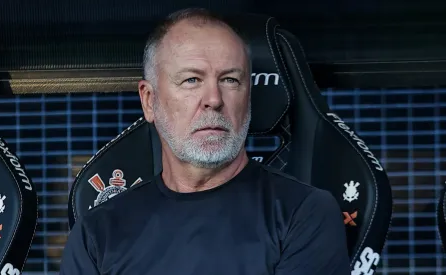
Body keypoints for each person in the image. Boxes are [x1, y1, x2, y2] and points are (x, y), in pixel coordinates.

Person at [60, 7, 350, 275]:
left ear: (247, 98)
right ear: (149, 101)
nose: (213, 99)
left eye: (230, 80)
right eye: (192, 80)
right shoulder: (97, 233)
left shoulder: (304, 213)